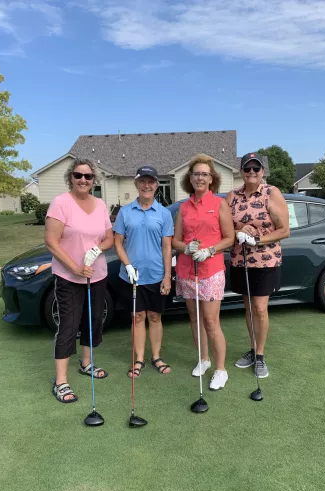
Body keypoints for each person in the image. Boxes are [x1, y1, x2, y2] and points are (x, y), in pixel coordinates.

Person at [45, 158, 114, 403]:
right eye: (78, 175)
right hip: (68, 277)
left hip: (97, 275)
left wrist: (97, 250)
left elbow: (108, 238)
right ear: (70, 178)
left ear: (94, 180)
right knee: (69, 325)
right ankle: (60, 381)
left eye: (88, 176)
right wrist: (74, 267)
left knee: (93, 321)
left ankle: (86, 363)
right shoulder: (60, 203)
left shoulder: (100, 204)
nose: (83, 180)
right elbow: (51, 242)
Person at [172, 154, 234, 390]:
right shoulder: (183, 208)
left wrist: (210, 250)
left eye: (204, 174)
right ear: (190, 178)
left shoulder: (219, 204)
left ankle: (220, 369)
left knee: (210, 320)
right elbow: (176, 241)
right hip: (187, 269)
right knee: (195, 318)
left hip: (211, 270)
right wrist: (185, 248)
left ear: (211, 179)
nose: (200, 178)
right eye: (196, 173)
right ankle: (204, 359)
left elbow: (229, 238)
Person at [226, 152, 290, 378]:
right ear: (241, 171)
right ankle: (253, 350)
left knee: (260, 309)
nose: (251, 172)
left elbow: (284, 230)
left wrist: (257, 239)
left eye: (256, 168)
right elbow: (223, 229)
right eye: (247, 168)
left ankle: (260, 355)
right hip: (240, 260)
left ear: (263, 171)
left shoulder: (272, 193)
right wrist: (239, 231)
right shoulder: (232, 196)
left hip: (265, 261)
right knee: (249, 309)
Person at [113, 166, 174, 378]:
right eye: (142, 181)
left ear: (156, 185)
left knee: (155, 317)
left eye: (151, 182)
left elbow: (167, 247)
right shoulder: (125, 212)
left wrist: (167, 276)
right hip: (131, 276)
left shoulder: (164, 214)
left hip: (156, 275)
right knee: (137, 317)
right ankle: (139, 359)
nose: (147, 185)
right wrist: (127, 265)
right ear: (136, 184)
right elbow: (117, 243)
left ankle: (156, 356)